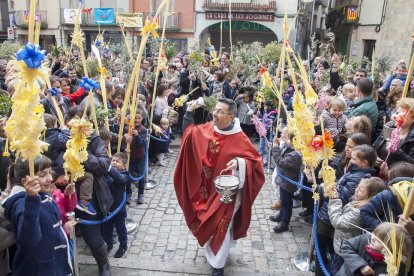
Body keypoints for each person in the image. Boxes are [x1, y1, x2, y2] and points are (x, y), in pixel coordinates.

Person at [174, 98, 265, 276]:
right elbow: (190, 134)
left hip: (228, 193)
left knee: (222, 224)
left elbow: (255, 165)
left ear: (231, 116)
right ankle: (215, 253)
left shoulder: (240, 138)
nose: (214, 114)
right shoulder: (208, 128)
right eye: (215, 110)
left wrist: (239, 163)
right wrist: (189, 112)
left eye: (220, 112)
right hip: (206, 191)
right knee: (209, 223)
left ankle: (218, 264)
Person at [2, 156, 73, 275]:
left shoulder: (44, 195)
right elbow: (29, 240)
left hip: (54, 266)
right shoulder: (22, 203)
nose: (50, 178)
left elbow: (48, 228)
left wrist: (63, 230)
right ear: (25, 181)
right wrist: (31, 201)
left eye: (49, 172)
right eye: (42, 175)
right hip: (38, 270)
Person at [316, 144, 377, 276]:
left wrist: (329, 192)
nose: (351, 160)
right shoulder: (355, 172)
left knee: (330, 261)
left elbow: (342, 200)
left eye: (355, 159)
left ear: (365, 162)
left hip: (340, 238)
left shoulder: (360, 179)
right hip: (337, 233)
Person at [327, 177, 386, 275]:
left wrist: (334, 200)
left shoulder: (359, 212)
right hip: (341, 244)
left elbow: (338, 222)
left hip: (345, 251)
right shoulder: (358, 203)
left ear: (370, 195)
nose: (356, 190)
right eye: (357, 187)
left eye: (360, 190)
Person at [336, 223, 413, 276]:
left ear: (390, 248)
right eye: (374, 233)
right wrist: (360, 265)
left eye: (379, 241)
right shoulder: (365, 239)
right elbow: (345, 246)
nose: (372, 238)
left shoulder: (397, 267)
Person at [268, 128, 301, 233]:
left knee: (287, 203)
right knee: (283, 200)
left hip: (288, 182)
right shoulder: (289, 148)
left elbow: (280, 162)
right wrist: (274, 147)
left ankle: (285, 222)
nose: (284, 139)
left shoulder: (295, 155)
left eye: (286, 138)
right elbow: (280, 155)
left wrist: (276, 149)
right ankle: (281, 215)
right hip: (284, 181)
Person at [101, 152, 130, 258]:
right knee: (107, 230)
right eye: (113, 160)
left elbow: (119, 178)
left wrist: (109, 168)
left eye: (118, 161)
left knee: (121, 229)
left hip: (118, 210)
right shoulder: (107, 173)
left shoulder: (125, 175)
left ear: (124, 165)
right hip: (107, 208)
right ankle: (108, 244)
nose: (114, 163)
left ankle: (123, 246)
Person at [128, 109, 148, 204]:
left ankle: (141, 194)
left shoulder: (143, 130)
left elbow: (141, 143)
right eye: (135, 118)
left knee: (141, 175)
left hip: (140, 156)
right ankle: (128, 194)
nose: (137, 120)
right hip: (130, 156)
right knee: (128, 175)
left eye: (139, 118)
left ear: (142, 118)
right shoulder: (127, 128)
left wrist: (137, 135)